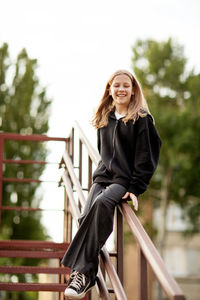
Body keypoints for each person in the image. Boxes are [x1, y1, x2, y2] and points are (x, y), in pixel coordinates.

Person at [61, 69, 162, 299]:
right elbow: (103, 152)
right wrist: (100, 175)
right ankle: (83, 273)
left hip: (123, 180)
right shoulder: (104, 117)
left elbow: (148, 156)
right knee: (85, 216)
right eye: (116, 85)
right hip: (103, 176)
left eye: (126, 85)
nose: (121, 89)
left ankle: (82, 274)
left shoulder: (142, 119)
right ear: (110, 89)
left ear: (133, 89)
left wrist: (136, 188)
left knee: (103, 203)